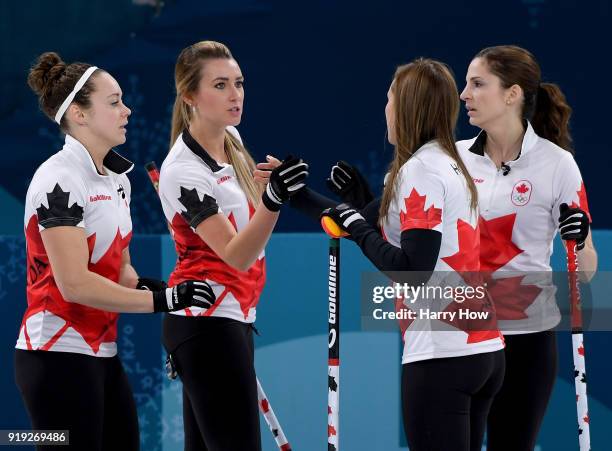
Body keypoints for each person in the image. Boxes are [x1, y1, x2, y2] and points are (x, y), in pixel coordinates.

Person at [15, 52, 215, 451]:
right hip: (55, 355)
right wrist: (162, 300)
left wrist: (159, 288)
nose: (127, 109)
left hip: (102, 352)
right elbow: (74, 285)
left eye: (123, 99)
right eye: (113, 102)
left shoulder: (118, 178)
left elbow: (120, 271)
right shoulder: (59, 178)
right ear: (79, 115)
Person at [320, 58, 505, 451]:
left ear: (405, 107)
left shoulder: (419, 171)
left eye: (389, 98)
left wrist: (357, 224)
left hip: (442, 355)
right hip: (482, 351)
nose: (385, 108)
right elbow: (385, 235)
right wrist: (353, 207)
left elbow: (413, 270)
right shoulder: (450, 162)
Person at [158, 40, 308, 451]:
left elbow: (250, 228)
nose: (235, 94)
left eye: (238, 83)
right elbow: (237, 254)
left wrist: (269, 189)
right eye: (220, 85)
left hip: (232, 317)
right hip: (206, 321)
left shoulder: (233, 140)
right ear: (190, 95)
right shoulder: (181, 172)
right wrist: (274, 203)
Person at [457, 45, 597, 450]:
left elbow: (586, 269)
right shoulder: (454, 159)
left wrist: (579, 238)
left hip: (527, 339)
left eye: (477, 84)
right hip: (461, 333)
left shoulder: (557, 164)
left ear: (512, 94)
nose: (464, 94)